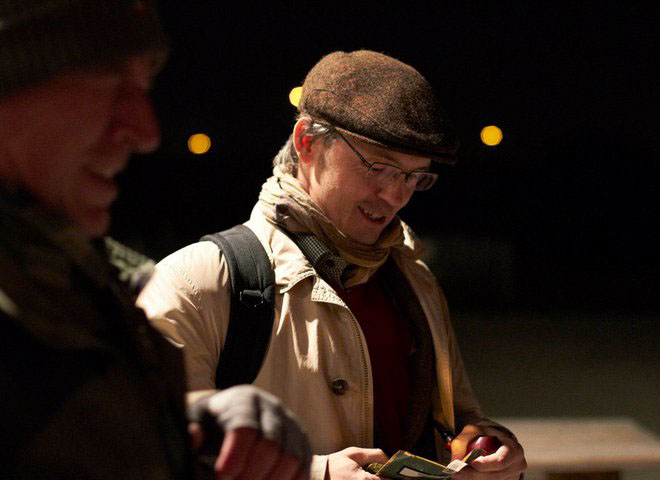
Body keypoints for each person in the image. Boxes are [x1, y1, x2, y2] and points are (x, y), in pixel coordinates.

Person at [138, 50, 528, 480]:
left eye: (414, 177)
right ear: (307, 142)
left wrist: (486, 445)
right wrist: (313, 473)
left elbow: (459, 420)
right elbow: (144, 452)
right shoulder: (195, 283)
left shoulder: (415, 281)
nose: (396, 196)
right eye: (379, 167)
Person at [0, 1, 310, 478]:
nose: (145, 132)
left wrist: (182, 428)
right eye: (107, 77)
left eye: (144, 85)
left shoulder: (80, 276)